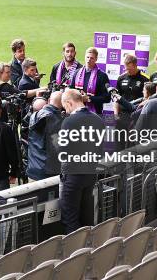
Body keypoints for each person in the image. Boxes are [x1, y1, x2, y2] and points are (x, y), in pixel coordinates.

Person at [58, 89, 105, 234]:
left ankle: (76, 253)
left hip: (73, 176)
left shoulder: (69, 121)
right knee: (86, 217)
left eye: (65, 107)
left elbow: (63, 152)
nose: (65, 110)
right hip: (90, 174)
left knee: (70, 219)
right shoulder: (98, 119)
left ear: (69, 103)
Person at [27, 91, 64, 181]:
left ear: (48, 100)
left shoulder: (33, 116)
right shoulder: (59, 122)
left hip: (33, 171)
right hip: (49, 175)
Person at [69, 47, 110, 115]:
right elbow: (71, 90)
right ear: (85, 57)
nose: (89, 60)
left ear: (96, 59)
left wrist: (89, 98)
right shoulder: (77, 72)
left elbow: (107, 98)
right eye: (87, 57)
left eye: (92, 58)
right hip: (76, 112)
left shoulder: (102, 76)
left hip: (95, 113)